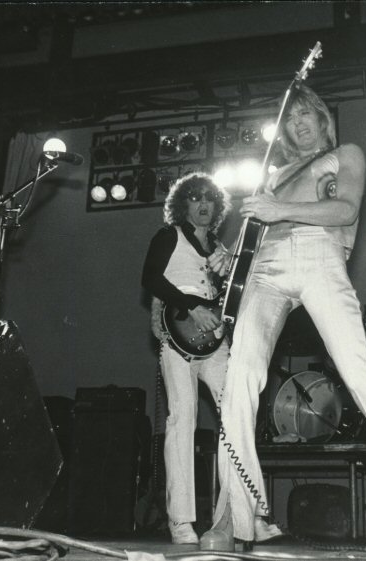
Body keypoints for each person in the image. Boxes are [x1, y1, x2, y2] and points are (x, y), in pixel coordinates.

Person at [200, 85, 366, 553]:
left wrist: (280, 209)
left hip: (320, 258)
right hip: (266, 269)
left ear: (322, 119)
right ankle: (232, 517)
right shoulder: (273, 173)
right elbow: (255, 235)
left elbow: (345, 209)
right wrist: (229, 259)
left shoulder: (343, 155)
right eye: (289, 117)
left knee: (360, 375)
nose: (297, 122)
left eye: (306, 114)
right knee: (238, 382)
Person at [141, 172, 232, 544]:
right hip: (178, 336)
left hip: (216, 343)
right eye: (195, 197)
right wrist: (191, 306)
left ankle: (234, 515)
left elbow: (230, 296)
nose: (203, 203)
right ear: (184, 205)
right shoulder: (169, 236)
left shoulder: (219, 249)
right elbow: (150, 278)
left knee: (238, 413)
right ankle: (181, 521)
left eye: (209, 197)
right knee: (183, 421)